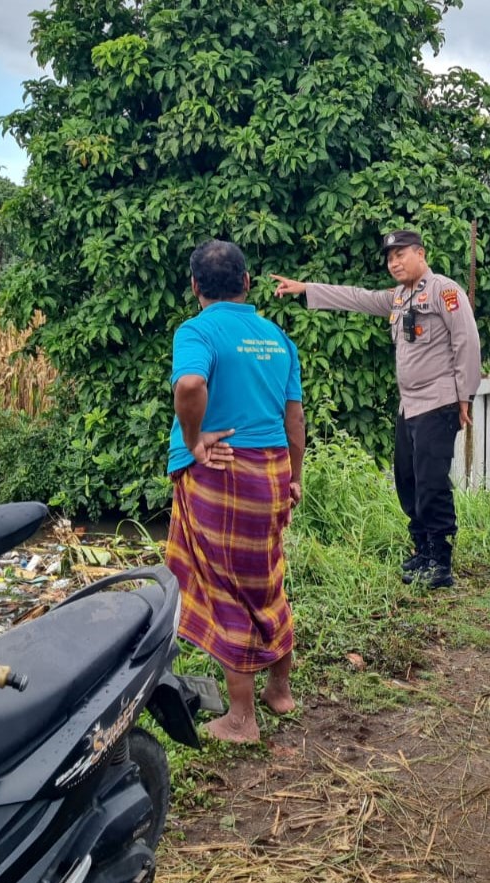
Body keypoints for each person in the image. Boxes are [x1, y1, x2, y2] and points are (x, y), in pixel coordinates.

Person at [270, 230, 481, 589]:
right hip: (409, 405)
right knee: (407, 480)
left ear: (421, 253)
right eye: (389, 258)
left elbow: (467, 340)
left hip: (439, 402)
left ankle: (441, 562)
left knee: (432, 483)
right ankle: (423, 550)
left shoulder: (444, 291)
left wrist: (465, 396)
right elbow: (357, 297)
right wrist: (306, 288)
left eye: (401, 255)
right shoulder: (398, 297)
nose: (394, 263)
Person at [166, 239, 306, 744]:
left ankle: (241, 719)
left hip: (222, 473)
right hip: (269, 471)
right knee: (267, 579)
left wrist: (193, 441)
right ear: (247, 283)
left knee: (226, 590)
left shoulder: (196, 330)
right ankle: (280, 692)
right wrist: (294, 477)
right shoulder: (276, 337)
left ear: (195, 286)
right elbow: (295, 421)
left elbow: (188, 386)